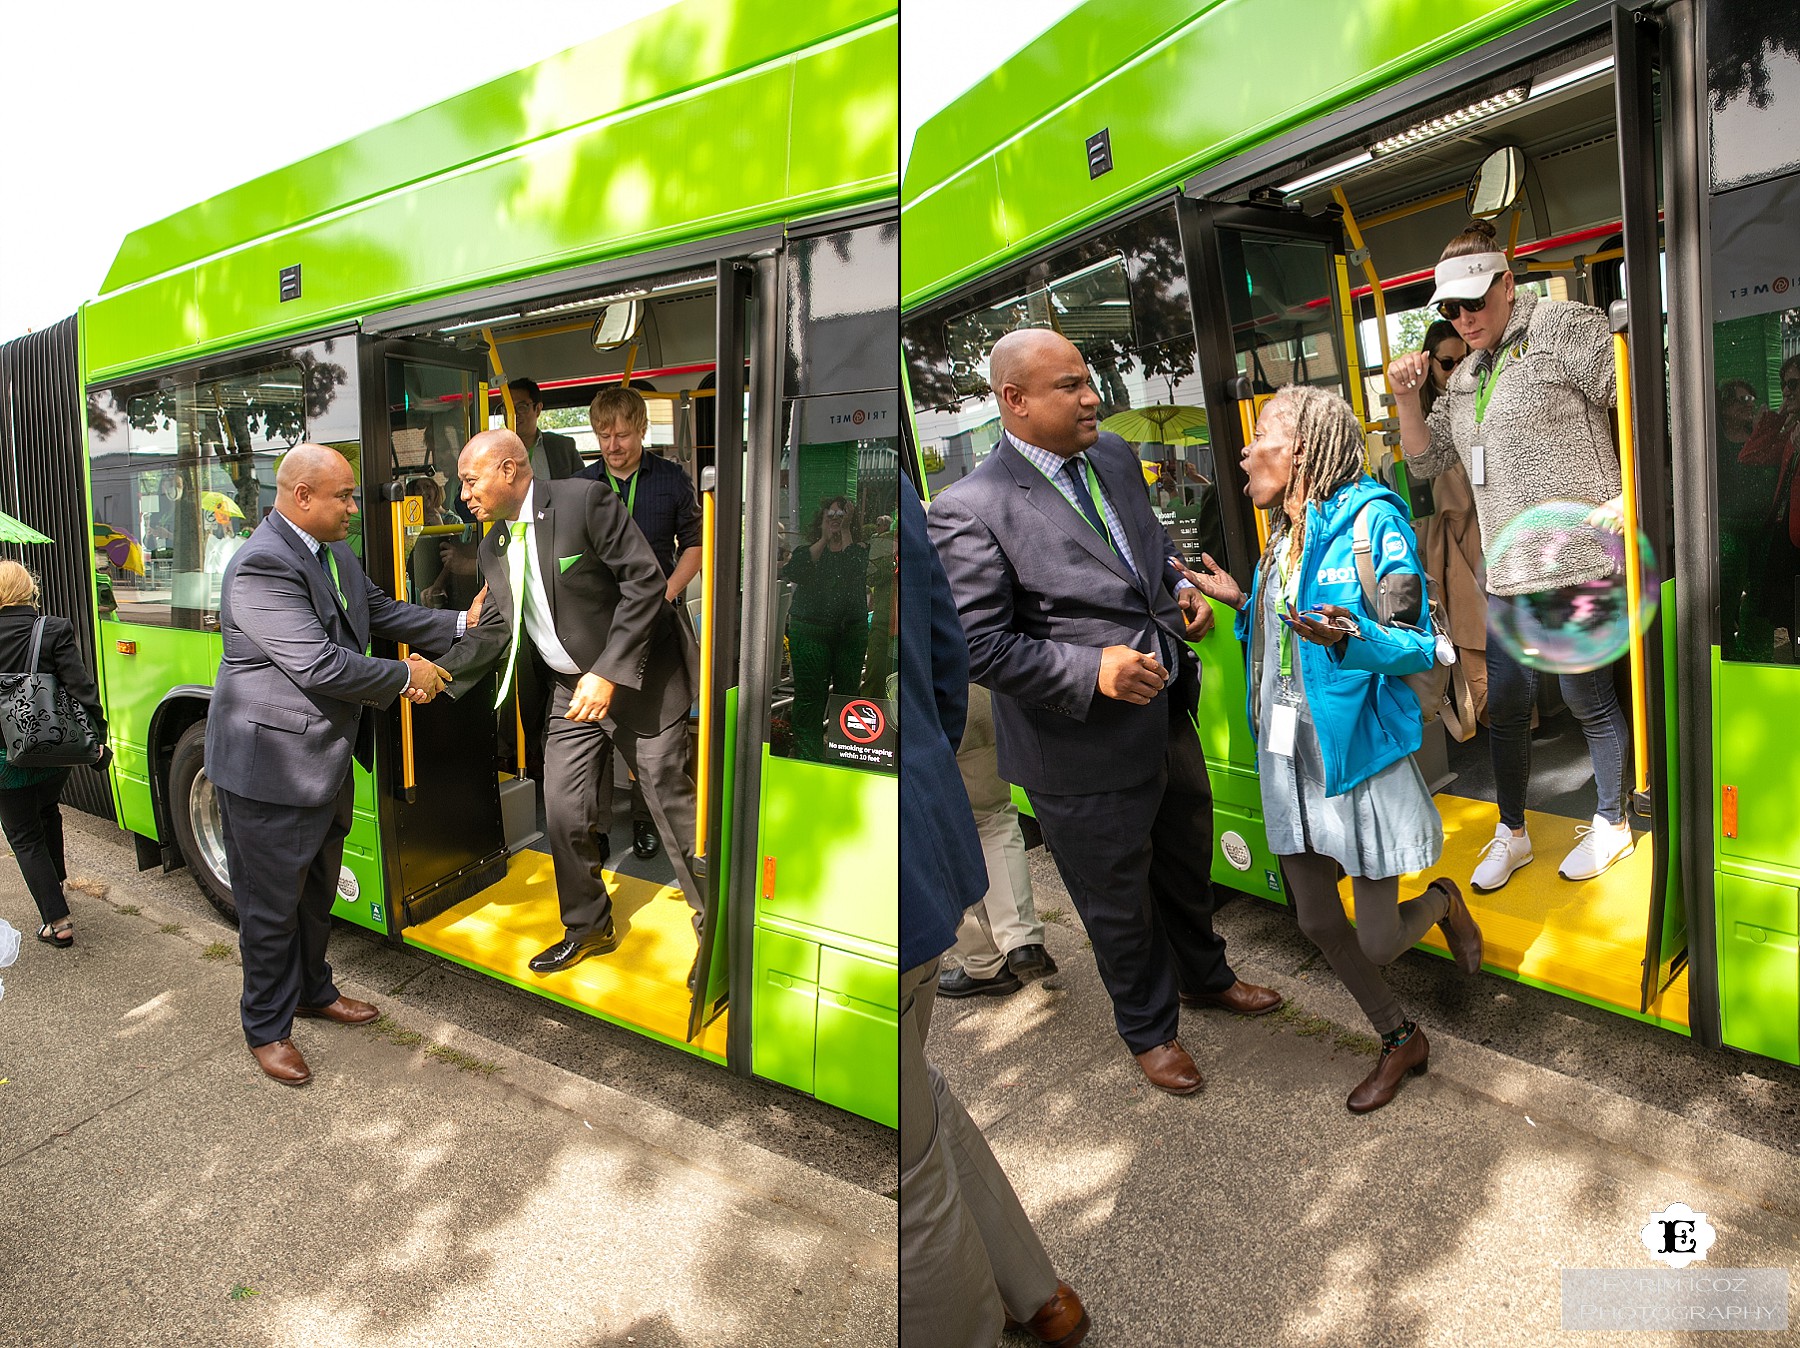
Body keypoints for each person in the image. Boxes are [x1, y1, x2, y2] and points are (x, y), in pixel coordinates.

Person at [928, 328, 1281, 1097]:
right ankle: (1149, 1029)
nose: (1093, 399)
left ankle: (1204, 977)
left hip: (1164, 713)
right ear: (1014, 402)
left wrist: (1176, 592)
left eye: (1089, 380)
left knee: (1188, 864)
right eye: (1069, 387)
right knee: (1117, 899)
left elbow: (1142, 550)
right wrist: (1091, 669)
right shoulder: (969, 509)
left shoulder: (1114, 458)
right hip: (1075, 749)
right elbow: (980, 647)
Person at [1180, 386, 1484, 1112]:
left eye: (1263, 438)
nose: (1245, 452)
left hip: (1356, 758)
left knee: (1376, 940)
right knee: (1316, 920)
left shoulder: (1372, 522)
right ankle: (1397, 1035)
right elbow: (1287, 646)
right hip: (1290, 760)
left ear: (1308, 449)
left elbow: (1419, 641)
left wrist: (1354, 636)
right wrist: (1241, 604)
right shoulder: (1281, 537)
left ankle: (1443, 903)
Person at [208, 444, 471, 1086]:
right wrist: (405, 675)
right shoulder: (262, 567)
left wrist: (464, 622)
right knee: (270, 909)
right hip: (270, 770)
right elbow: (320, 663)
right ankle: (267, 1028)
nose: (355, 506)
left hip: (321, 763)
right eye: (344, 496)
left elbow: (380, 614)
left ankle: (312, 991)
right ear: (302, 496)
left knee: (317, 893)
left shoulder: (337, 555)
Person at [898, 473, 1088, 1348]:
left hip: (878, 855)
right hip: (914, 820)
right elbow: (942, 661)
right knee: (914, 1097)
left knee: (901, 1156)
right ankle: (1035, 1295)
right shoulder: (889, 477)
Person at [1390, 218, 1632, 891]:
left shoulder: (1564, 327)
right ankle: (1513, 831)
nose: (1464, 318)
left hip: (1575, 559)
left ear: (1506, 280)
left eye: (1474, 301)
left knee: (1588, 699)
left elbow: (1642, 397)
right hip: (1506, 571)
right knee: (1505, 710)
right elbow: (1426, 460)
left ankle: (1612, 822)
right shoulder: (1465, 375)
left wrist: (1631, 500)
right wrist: (1409, 396)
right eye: (1450, 309)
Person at [436, 430, 702, 976]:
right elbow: (497, 629)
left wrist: (607, 673)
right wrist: (437, 673)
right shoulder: (494, 547)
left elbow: (645, 585)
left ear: (509, 471)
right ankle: (588, 926)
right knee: (563, 810)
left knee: (672, 812)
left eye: (469, 480)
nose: (462, 495)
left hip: (638, 682)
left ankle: (720, 936)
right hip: (568, 691)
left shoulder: (585, 501)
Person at [576, 386, 702, 861]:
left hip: (656, 623)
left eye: (622, 434)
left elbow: (694, 544)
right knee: (595, 726)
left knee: (652, 729)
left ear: (643, 430)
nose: (612, 445)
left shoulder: (671, 479)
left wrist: (664, 592)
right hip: (596, 624)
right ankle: (600, 825)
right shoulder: (581, 485)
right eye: (604, 435)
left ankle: (649, 822)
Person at [0, 561, 109, 949]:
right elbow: (81, 686)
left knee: (24, 835)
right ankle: (57, 882)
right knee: (48, 811)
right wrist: (97, 735)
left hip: (4, 759)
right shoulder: (53, 629)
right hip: (54, 749)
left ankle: (58, 922)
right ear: (29, 590)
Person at [936, 682, 1056, 998]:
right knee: (993, 818)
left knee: (939, 838)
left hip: (924, 718)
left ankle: (985, 964)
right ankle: (1021, 940)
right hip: (975, 698)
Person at [1409, 319, 1488, 729]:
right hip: (1454, 544)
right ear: (1431, 368)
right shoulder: (1428, 429)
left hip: (1477, 540)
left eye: (1466, 360)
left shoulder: (1483, 403)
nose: (1458, 371)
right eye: (1447, 363)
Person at [782, 495, 870, 762]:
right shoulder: (806, 552)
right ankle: (808, 761)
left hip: (849, 633)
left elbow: (856, 568)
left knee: (847, 697)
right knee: (809, 699)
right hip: (810, 632)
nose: (835, 520)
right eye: (829, 515)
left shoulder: (858, 549)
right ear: (819, 521)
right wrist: (823, 537)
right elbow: (796, 571)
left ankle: (845, 760)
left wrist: (844, 532)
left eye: (841, 516)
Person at [508, 377, 585, 480]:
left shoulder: (564, 447)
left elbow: (582, 487)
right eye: (508, 408)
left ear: (538, 409)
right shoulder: (496, 451)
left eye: (521, 407)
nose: (514, 414)